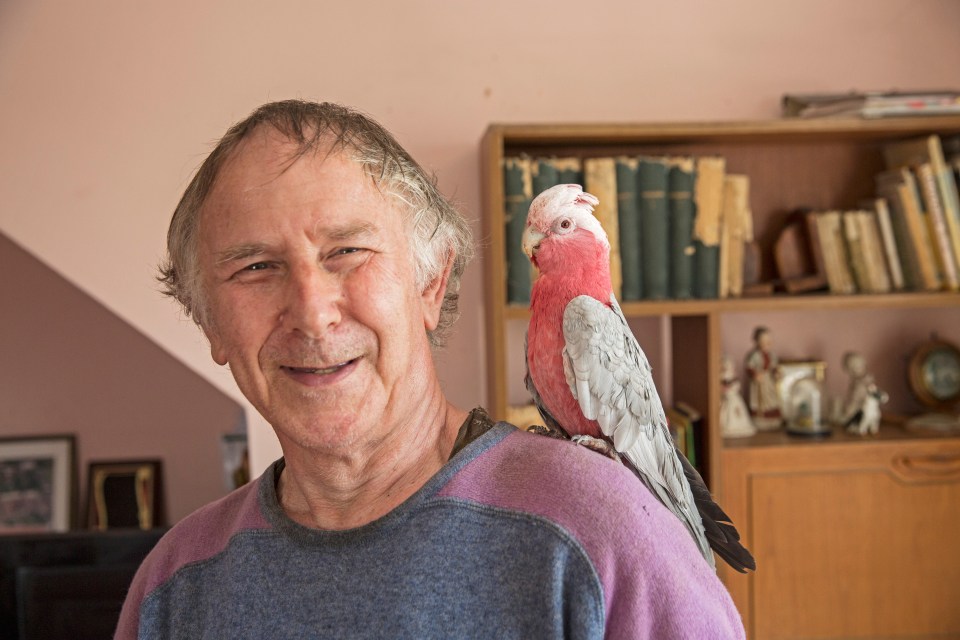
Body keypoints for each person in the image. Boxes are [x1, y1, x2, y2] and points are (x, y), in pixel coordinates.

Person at [115, 100, 745, 639]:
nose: (311, 315)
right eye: (255, 267)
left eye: (347, 252)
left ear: (433, 283)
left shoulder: (604, 531)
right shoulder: (172, 590)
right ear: (210, 323)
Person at [745, 326, 782, 430]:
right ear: (757, 341)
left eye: (769, 340)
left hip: (768, 380)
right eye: (764, 341)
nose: (767, 343)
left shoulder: (772, 355)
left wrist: (776, 373)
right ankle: (759, 417)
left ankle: (772, 418)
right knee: (760, 400)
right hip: (759, 382)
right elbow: (749, 367)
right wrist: (755, 374)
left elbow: (774, 367)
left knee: (771, 398)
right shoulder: (754, 355)